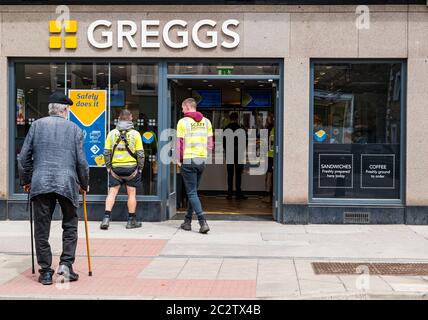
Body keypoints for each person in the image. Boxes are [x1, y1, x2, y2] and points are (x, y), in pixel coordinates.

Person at [18, 92, 89, 285]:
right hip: (67, 182)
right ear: (65, 109)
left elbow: (23, 158)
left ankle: (46, 271)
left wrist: (26, 180)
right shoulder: (74, 129)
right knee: (70, 225)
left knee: (42, 228)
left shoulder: (36, 125)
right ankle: (66, 265)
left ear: (50, 110)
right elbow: (81, 162)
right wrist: (84, 184)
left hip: (41, 182)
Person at [100, 109, 145, 230]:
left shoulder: (112, 133)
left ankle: (106, 219)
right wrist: (140, 168)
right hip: (131, 169)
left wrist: (108, 167)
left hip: (115, 170)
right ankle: (131, 221)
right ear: (130, 118)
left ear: (119, 118)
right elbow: (140, 154)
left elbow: (106, 152)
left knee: (112, 193)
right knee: (132, 194)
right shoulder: (135, 134)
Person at [177, 98, 214, 234]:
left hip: (188, 159)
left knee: (191, 192)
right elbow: (210, 143)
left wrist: (179, 160)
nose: (182, 110)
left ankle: (202, 221)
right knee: (193, 192)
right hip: (200, 160)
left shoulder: (183, 122)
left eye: (182, 107)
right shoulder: (207, 121)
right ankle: (187, 221)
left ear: (187, 106)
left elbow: (180, 143)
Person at [223, 112, 248, 200]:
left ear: (230, 119)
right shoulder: (241, 128)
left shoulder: (226, 128)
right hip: (239, 153)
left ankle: (229, 193)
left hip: (229, 153)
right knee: (238, 174)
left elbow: (223, 143)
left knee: (230, 174)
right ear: (237, 118)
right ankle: (238, 193)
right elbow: (245, 142)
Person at [263, 113, 275, 204]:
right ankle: (269, 196)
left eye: (269, 119)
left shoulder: (272, 129)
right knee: (269, 176)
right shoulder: (273, 129)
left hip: (271, 155)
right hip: (271, 155)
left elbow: (270, 142)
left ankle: (268, 196)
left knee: (269, 176)